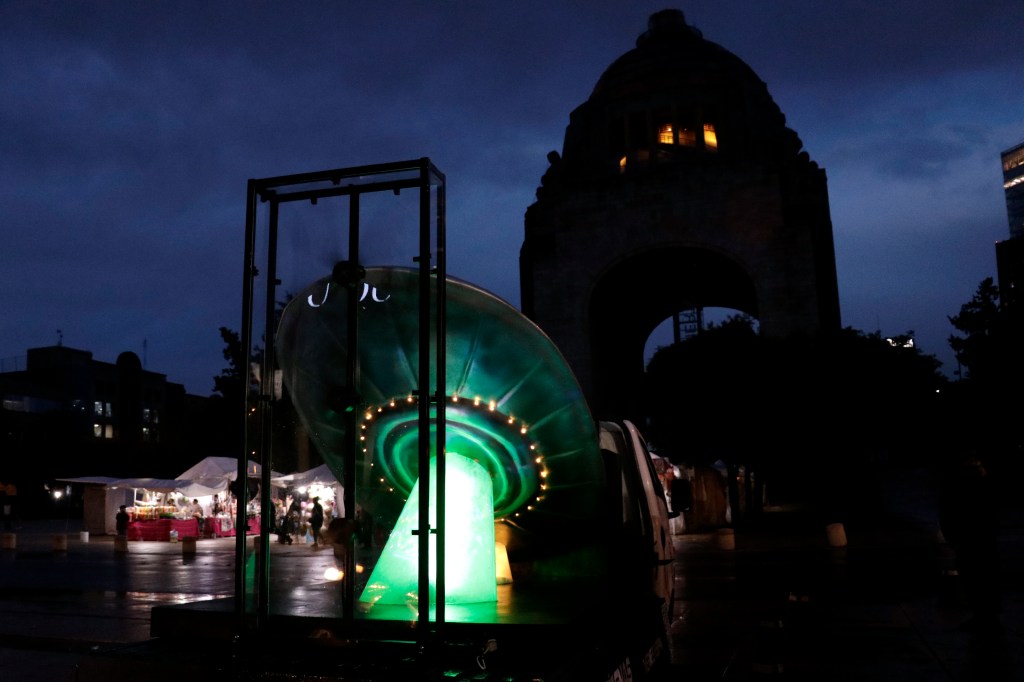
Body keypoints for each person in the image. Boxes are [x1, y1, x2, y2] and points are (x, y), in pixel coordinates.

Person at [938, 452, 1001, 633]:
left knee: (975, 577)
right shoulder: (981, 486)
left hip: (970, 539)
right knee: (982, 577)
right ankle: (986, 614)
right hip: (979, 538)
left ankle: (983, 615)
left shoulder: (961, 487)